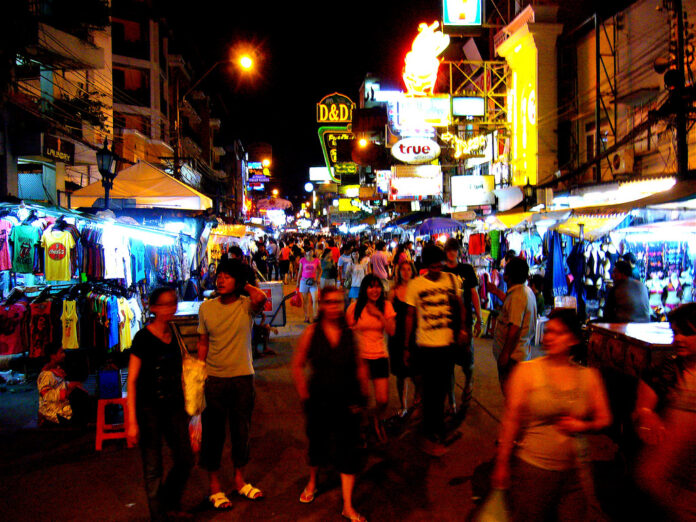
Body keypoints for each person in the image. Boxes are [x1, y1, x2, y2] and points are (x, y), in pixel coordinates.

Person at [491, 308, 612, 521]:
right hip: (534, 470)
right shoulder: (527, 372)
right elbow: (511, 420)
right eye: (548, 331)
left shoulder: (589, 377)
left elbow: (604, 418)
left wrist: (581, 426)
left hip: (575, 472)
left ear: (573, 339)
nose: (550, 337)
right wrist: (502, 463)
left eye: (559, 333)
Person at [292, 286, 370, 522]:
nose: (334, 307)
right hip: (319, 400)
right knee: (317, 445)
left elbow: (360, 367)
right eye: (329, 302)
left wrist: (362, 398)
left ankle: (347, 505)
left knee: (349, 450)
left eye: (338, 302)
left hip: (346, 401)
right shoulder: (311, 333)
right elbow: (297, 365)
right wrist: (305, 396)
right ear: (322, 305)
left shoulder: (350, 334)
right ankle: (313, 482)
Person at [197, 259, 268, 510]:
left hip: (242, 378)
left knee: (241, 433)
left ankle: (240, 480)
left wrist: (244, 283)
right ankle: (214, 487)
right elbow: (203, 342)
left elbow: (261, 298)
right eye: (219, 276)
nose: (220, 280)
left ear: (238, 281)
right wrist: (199, 372)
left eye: (227, 276)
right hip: (214, 379)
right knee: (213, 435)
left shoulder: (246, 306)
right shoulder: (206, 308)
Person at [126, 287, 194, 521]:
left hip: (174, 407)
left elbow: (181, 372)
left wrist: (191, 411)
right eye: (163, 304)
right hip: (149, 411)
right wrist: (131, 422)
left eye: (172, 303)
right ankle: (159, 515)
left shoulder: (174, 332)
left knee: (185, 458)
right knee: (153, 467)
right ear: (153, 308)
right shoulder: (143, 338)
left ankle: (169, 502)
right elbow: (132, 380)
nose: (169, 308)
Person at [633, 302, 696, 520]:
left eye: (687, 333)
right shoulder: (663, 371)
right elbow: (641, 410)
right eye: (675, 332)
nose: (678, 339)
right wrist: (646, 416)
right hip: (669, 473)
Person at [404, 244, 468, 456]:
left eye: (438, 266)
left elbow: (460, 306)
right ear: (425, 265)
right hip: (426, 346)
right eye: (432, 267)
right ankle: (430, 432)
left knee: (441, 390)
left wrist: (463, 329)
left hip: (447, 345)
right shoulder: (415, 285)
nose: (436, 270)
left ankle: (435, 430)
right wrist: (406, 345)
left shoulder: (452, 280)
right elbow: (410, 316)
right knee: (429, 392)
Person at [346, 274, 396, 443]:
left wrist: (378, 315)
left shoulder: (386, 305)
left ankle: (375, 418)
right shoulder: (354, 308)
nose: (375, 290)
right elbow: (348, 332)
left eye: (378, 286)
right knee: (363, 399)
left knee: (382, 400)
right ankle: (362, 427)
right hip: (361, 359)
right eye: (370, 286)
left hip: (380, 356)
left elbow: (392, 331)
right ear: (364, 289)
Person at [442, 237, 482, 419]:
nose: (451, 253)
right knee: (448, 366)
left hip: (464, 322)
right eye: (449, 250)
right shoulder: (441, 272)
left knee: (468, 363)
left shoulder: (466, 270)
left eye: (454, 250)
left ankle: (468, 383)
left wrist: (479, 318)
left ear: (458, 252)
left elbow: (473, 294)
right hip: (446, 325)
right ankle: (451, 401)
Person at [490, 256, 537, 392]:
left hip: (513, 358)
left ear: (507, 277)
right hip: (519, 355)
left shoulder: (518, 296)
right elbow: (512, 307)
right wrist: (496, 292)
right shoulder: (524, 292)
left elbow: (514, 328)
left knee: (512, 394)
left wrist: (505, 355)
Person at [388, 260, 420, 416]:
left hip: (414, 335)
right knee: (401, 374)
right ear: (399, 272)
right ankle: (403, 404)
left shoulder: (417, 291)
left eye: (409, 269)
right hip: (397, 337)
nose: (406, 272)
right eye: (403, 269)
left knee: (416, 372)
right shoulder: (393, 292)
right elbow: (388, 313)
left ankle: (417, 401)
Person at [38, 343, 92, 426]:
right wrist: (66, 392)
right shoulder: (47, 375)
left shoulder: (56, 370)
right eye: (61, 352)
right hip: (55, 413)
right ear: (53, 356)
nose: (64, 355)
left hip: (61, 407)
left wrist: (72, 385)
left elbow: (60, 385)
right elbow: (46, 395)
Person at [297, 248, 321, 323]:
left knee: (315, 299)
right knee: (305, 300)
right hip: (304, 281)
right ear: (305, 252)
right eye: (308, 251)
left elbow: (320, 270)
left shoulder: (316, 260)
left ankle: (315, 315)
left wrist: (318, 278)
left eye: (311, 251)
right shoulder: (302, 260)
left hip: (313, 282)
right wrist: (297, 282)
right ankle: (306, 316)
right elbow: (300, 271)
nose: (310, 252)